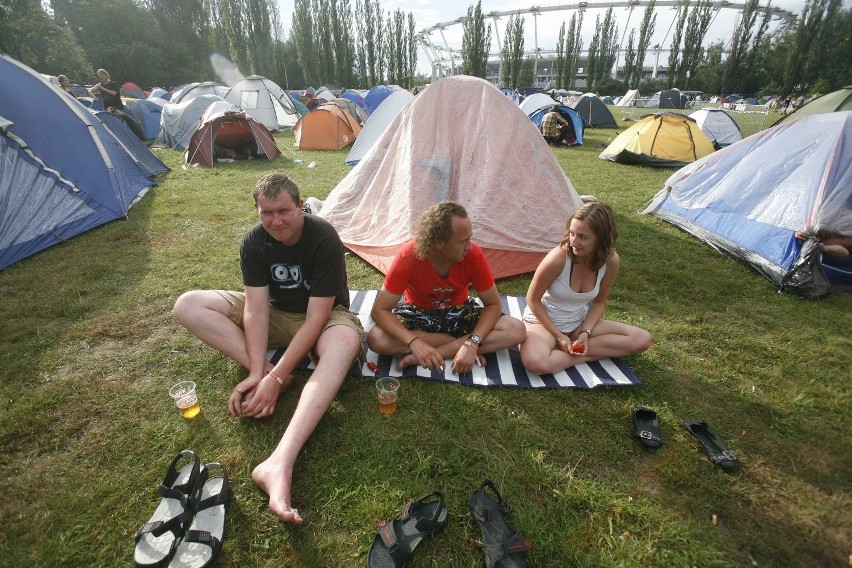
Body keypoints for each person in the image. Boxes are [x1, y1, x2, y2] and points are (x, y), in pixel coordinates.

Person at [173, 172, 363, 524]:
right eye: (266, 213)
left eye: (283, 211)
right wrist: (259, 372)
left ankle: (280, 461)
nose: (276, 221)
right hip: (275, 312)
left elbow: (316, 317)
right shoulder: (254, 242)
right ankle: (260, 374)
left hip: (321, 317)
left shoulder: (323, 236)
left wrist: (275, 376)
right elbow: (257, 309)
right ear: (257, 210)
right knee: (188, 304)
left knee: (346, 341)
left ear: (300, 207)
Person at [368, 201, 527, 374]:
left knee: (516, 330)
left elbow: (494, 305)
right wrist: (415, 343)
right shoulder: (408, 255)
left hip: (459, 312)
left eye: (469, 238)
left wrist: (473, 343)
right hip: (418, 313)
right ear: (438, 242)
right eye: (462, 241)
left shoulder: (473, 255)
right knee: (376, 338)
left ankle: (441, 352)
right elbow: (379, 310)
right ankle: (456, 345)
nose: (469, 246)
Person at [520, 203, 651, 375]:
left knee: (642, 339)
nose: (573, 241)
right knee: (536, 363)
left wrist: (584, 332)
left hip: (578, 322)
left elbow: (599, 302)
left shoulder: (610, 261)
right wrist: (559, 335)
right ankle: (587, 355)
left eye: (582, 237)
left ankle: (569, 354)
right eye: (572, 233)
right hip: (544, 322)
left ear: (600, 238)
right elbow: (533, 300)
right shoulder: (558, 258)